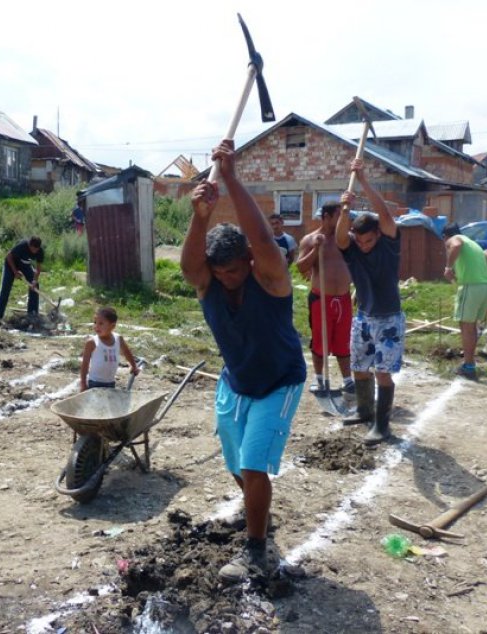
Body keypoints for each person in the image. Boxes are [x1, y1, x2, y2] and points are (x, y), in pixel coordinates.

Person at [180, 140, 306, 583]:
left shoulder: (269, 276)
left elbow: (262, 238)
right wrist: (201, 217)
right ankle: (261, 518)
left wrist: (231, 179)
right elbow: (188, 265)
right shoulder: (207, 282)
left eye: (234, 270)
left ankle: (256, 550)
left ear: (248, 262)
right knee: (236, 465)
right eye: (220, 272)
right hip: (235, 383)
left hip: (279, 381)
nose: (228, 279)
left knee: (254, 465)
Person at [336, 158, 404, 445]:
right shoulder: (352, 249)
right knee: (359, 367)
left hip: (388, 318)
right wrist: (345, 209)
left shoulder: (389, 244)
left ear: (378, 235)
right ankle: (364, 412)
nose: (364, 246)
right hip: (363, 316)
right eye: (360, 242)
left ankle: (382, 425)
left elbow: (385, 216)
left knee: (383, 373)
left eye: (369, 241)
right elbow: (340, 237)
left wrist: (363, 181)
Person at [296, 202, 354, 395]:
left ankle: (347, 380)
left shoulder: (347, 239)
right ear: (326, 217)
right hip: (321, 299)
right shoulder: (310, 239)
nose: (343, 220)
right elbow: (301, 267)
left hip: (344, 299)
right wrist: (315, 249)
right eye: (339, 215)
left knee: (343, 341)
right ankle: (319, 378)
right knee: (321, 341)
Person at [442, 224, 487, 379]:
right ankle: (469, 363)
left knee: (466, 326)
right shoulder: (473, 244)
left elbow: (455, 244)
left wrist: (448, 267)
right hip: (486, 287)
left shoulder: (456, 239)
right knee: (471, 325)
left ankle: (469, 366)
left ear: (445, 236)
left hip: (472, 286)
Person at [79, 306, 139, 390]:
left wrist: (134, 366)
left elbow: (127, 352)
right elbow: (85, 364)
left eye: (101, 323)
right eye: (95, 322)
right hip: (95, 383)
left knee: (107, 403)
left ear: (112, 326)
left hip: (110, 383)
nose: (96, 326)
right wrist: (83, 384)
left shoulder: (118, 339)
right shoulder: (92, 342)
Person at [0, 236, 44, 322]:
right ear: (29, 245)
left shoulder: (40, 251)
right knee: (5, 290)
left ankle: (32, 315)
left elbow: (38, 268)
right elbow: (9, 256)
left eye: (36, 249)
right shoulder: (22, 246)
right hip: (10, 264)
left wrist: (34, 281)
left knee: (35, 287)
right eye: (33, 249)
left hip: (25, 265)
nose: (35, 251)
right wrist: (15, 272)